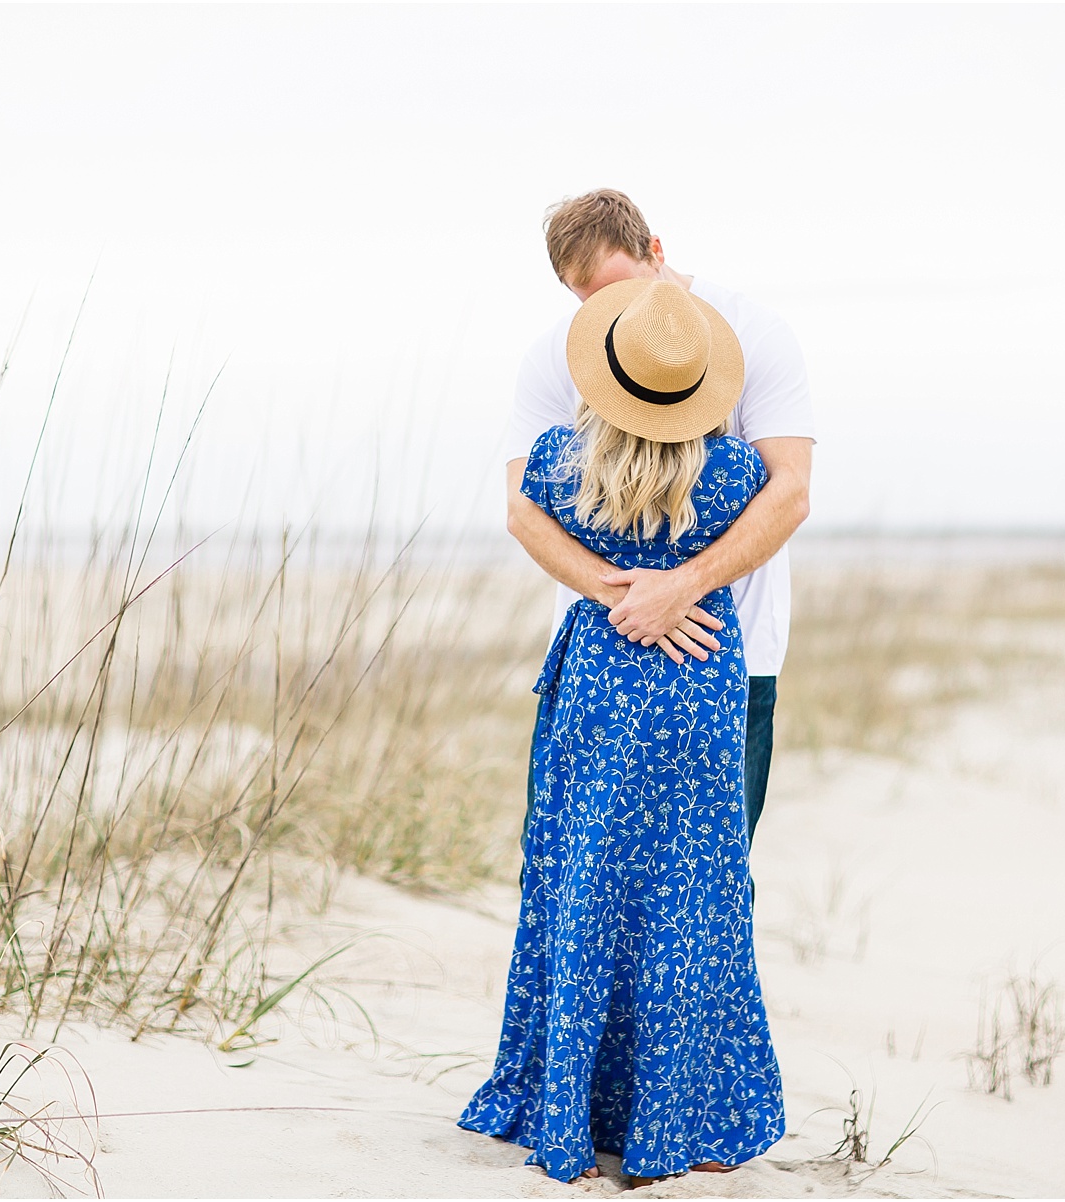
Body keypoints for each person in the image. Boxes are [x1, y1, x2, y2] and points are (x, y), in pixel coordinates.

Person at [458, 276, 786, 1185]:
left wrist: (614, 587)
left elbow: (520, 509)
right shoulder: (736, 476)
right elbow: (783, 501)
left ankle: (571, 1113)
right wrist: (669, 587)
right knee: (695, 895)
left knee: (584, 881)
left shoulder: (565, 463)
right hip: (697, 677)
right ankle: (683, 1125)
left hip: (602, 681)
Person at [504, 189, 814, 851]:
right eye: (586, 301)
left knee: (714, 871)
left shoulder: (754, 334)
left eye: (617, 288)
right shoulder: (555, 354)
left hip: (732, 654)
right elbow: (522, 509)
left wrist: (682, 588)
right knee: (567, 865)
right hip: (596, 649)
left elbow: (789, 492)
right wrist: (622, 598)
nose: (604, 315)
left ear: (656, 252)